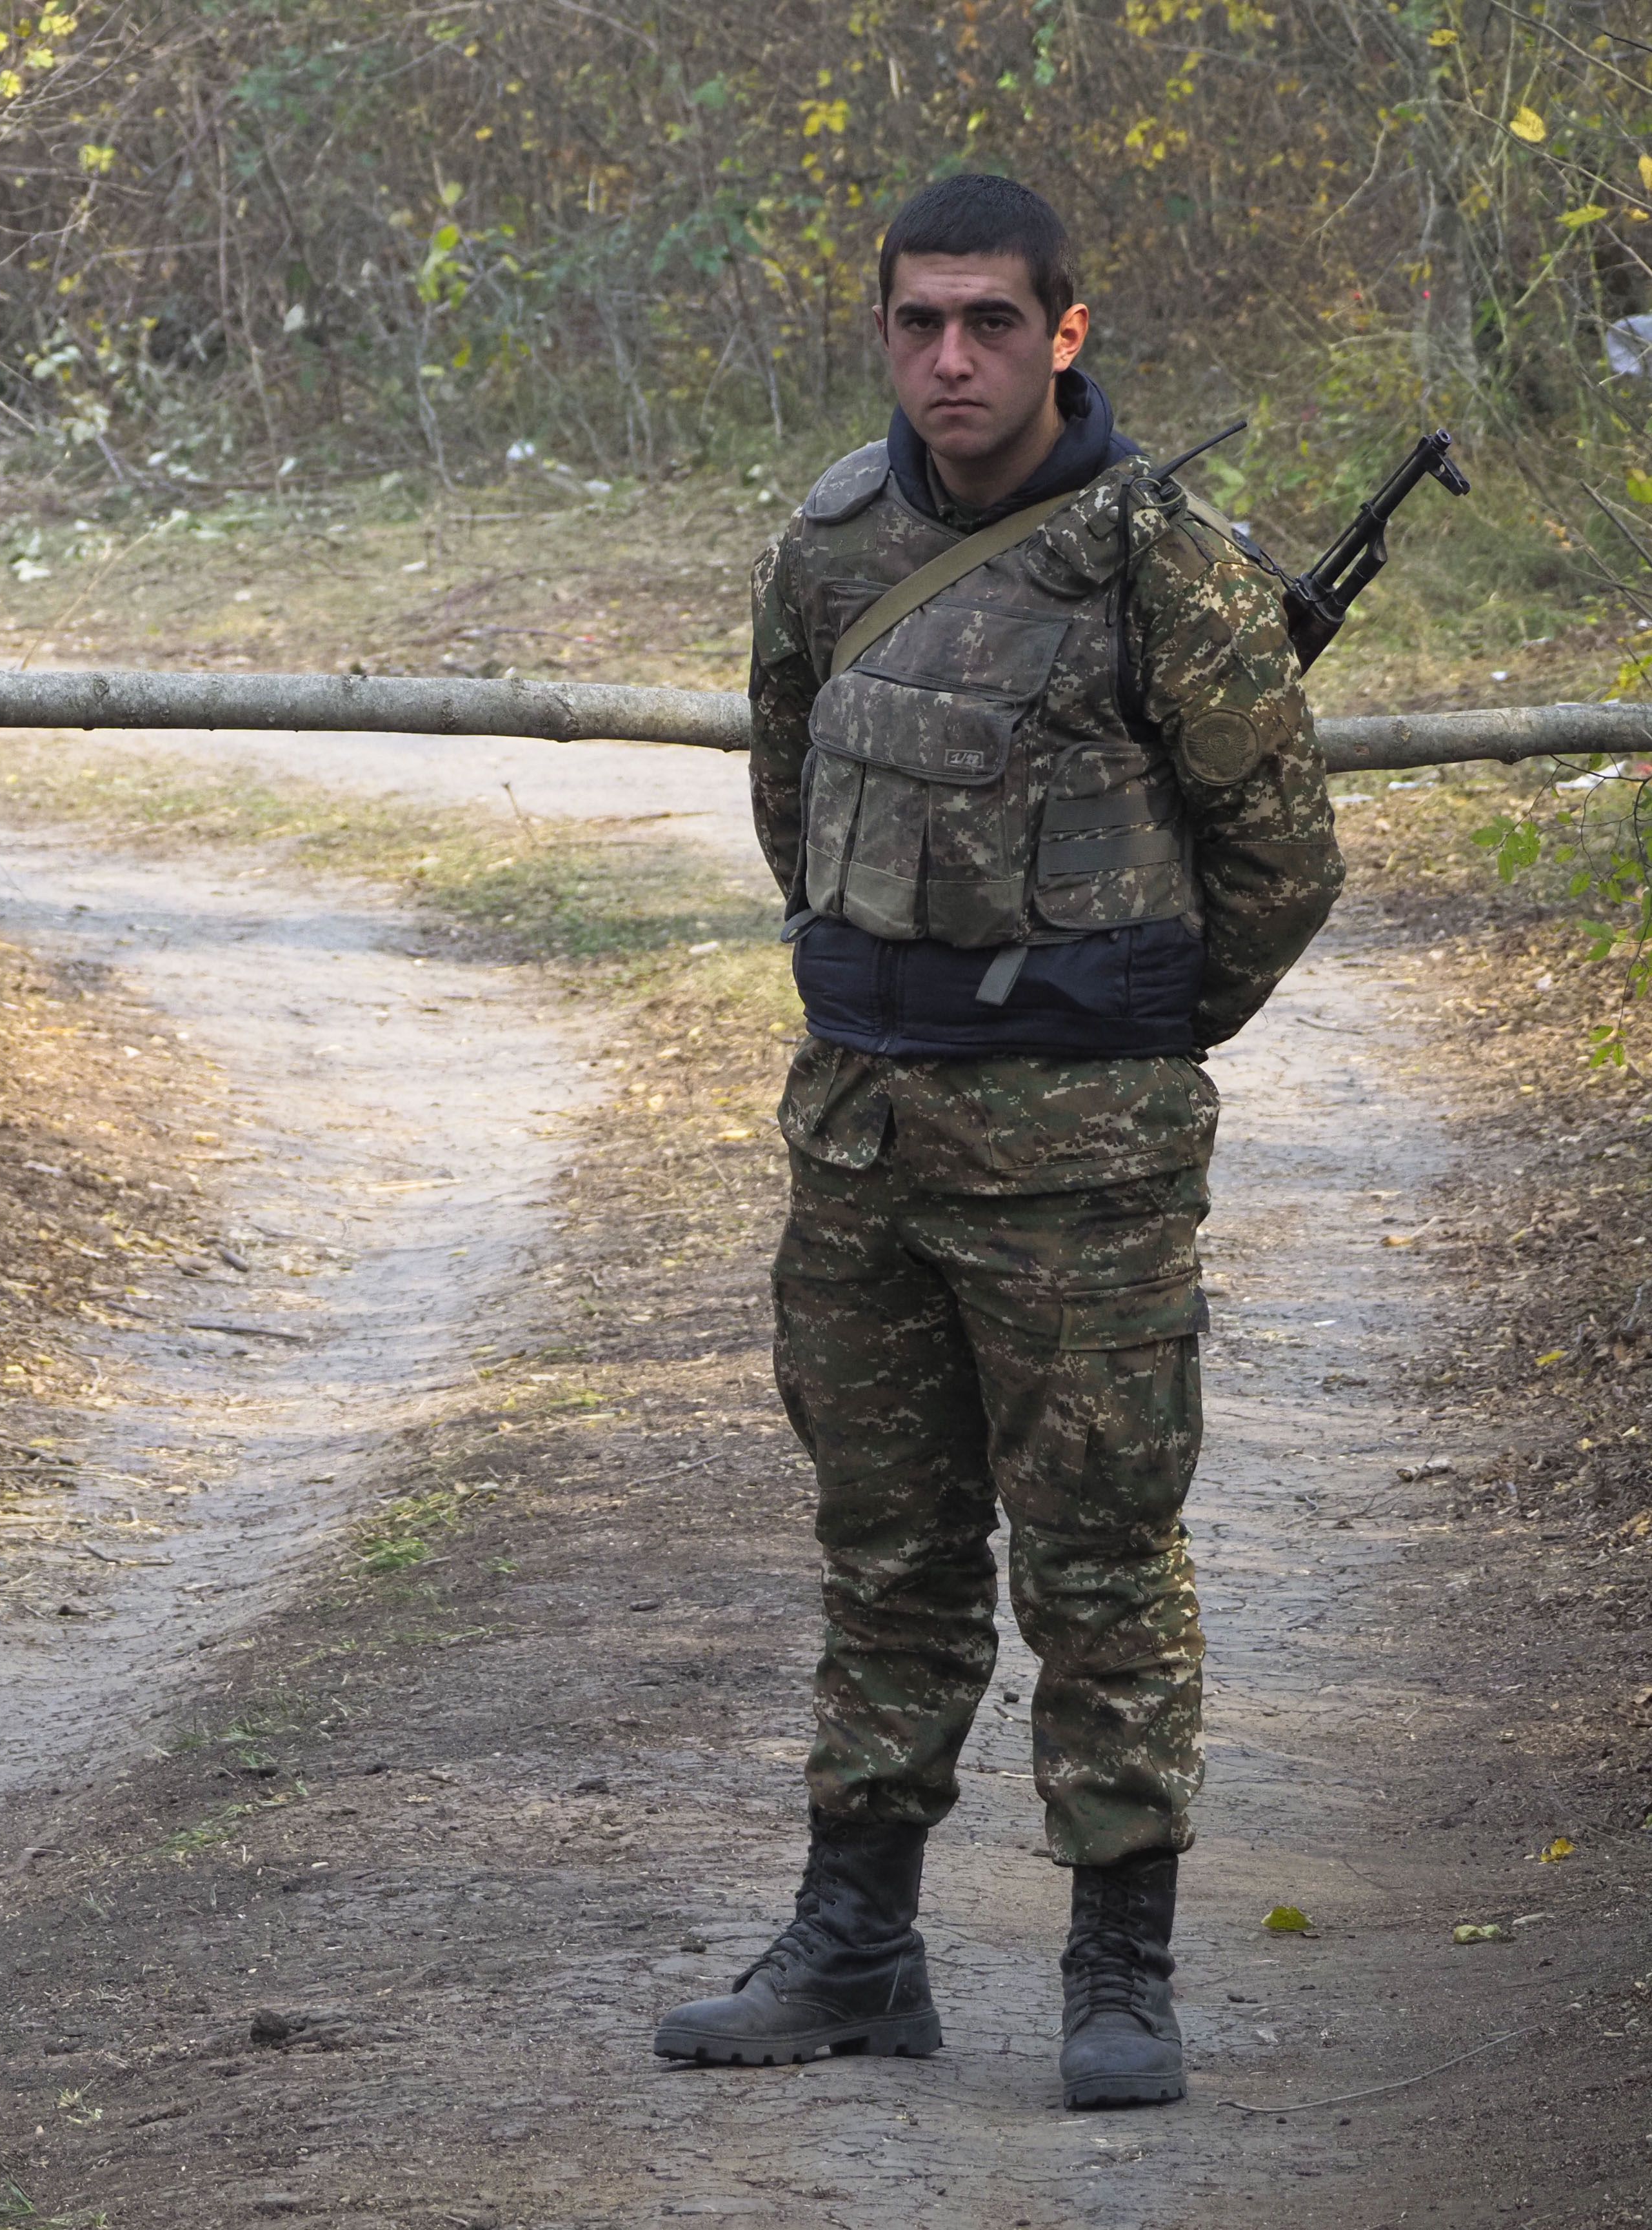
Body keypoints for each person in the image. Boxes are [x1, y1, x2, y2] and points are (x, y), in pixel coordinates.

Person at [651, 176, 1342, 2109]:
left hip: (1089, 1173)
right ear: (883, 332)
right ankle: (858, 1947)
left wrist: (1120, 1037)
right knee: (886, 1550)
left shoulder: (1162, 567)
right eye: (915, 323)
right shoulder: (828, 547)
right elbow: (792, 804)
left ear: (1067, 334)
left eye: (987, 323)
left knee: (1104, 1560)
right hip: (860, 1138)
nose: (948, 357)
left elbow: (1283, 858)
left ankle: (1120, 1972)